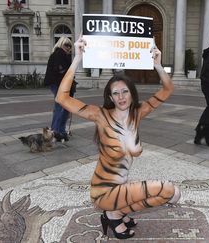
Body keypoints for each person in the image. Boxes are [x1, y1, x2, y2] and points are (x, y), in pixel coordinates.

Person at [56, 36, 181, 239]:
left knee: (166, 194)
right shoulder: (100, 115)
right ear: (110, 97)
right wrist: (77, 59)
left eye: (125, 92)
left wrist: (157, 65)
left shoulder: (137, 114)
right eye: (116, 93)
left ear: (132, 94)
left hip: (120, 188)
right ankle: (112, 212)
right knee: (170, 192)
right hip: (103, 191)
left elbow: (168, 89)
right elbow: (62, 98)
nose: (121, 97)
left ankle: (114, 214)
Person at [44, 37, 76, 142]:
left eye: (70, 45)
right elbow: (60, 70)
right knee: (60, 107)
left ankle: (60, 131)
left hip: (63, 84)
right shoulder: (58, 54)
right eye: (66, 44)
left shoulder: (64, 55)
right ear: (61, 44)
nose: (68, 47)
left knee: (64, 108)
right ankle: (55, 132)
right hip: (59, 84)